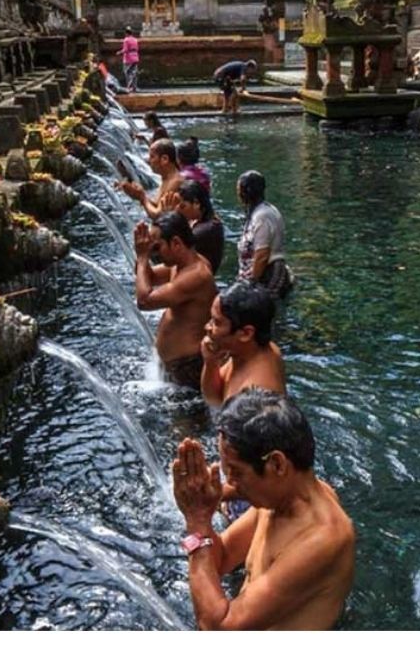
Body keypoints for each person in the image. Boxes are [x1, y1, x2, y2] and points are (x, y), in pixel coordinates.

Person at [171, 388, 356, 630]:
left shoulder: (323, 539)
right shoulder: (279, 499)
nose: (231, 485)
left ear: (277, 464)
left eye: (236, 472)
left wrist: (197, 522)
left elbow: (219, 628)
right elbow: (222, 557)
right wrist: (203, 510)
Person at [133, 212, 217, 390]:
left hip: (187, 368)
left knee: (186, 419)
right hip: (174, 366)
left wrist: (142, 258)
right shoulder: (180, 266)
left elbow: (144, 301)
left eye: (158, 247)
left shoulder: (196, 275)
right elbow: (149, 276)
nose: (155, 253)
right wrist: (143, 254)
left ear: (176, 243)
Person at [200, 282, 285, 408]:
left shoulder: (252, 399)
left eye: (217, 322)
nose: (207, 327)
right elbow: (214, 400)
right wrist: (211, 362)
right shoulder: (251, 350)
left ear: (246, 333)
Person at [236, 170, 293, 300]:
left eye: (239, 190)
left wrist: (251, 284)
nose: (238, 194)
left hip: (268, 273)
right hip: (260, 272)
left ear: (246, 192)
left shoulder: (263, 216)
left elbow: (262, 255)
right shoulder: (259, 211)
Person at [163, 179, 224, 274]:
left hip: (196, 277)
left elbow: (174, 251)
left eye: (182, 206)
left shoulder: (205, 230)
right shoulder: (206, 220)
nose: (178, 210)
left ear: (196, 203)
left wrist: (168, 218)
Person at [117, 138, 184, 219]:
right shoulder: (167, 178)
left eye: (152, 156)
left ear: (164, 159)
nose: (148, 161)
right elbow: (156, 204)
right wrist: (136, 194)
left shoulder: (175, 182)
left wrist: (142, 197)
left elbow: (158, 215)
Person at [117, 26, 139, 92]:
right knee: (134, 73)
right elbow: (137, 49)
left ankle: (129, 87)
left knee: (128, 73)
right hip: (135, 57)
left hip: (128, 58)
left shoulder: (126, 40)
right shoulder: (135, 40)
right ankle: (134, 87)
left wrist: (119, 52)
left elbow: (125, 50)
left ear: (126, 33)